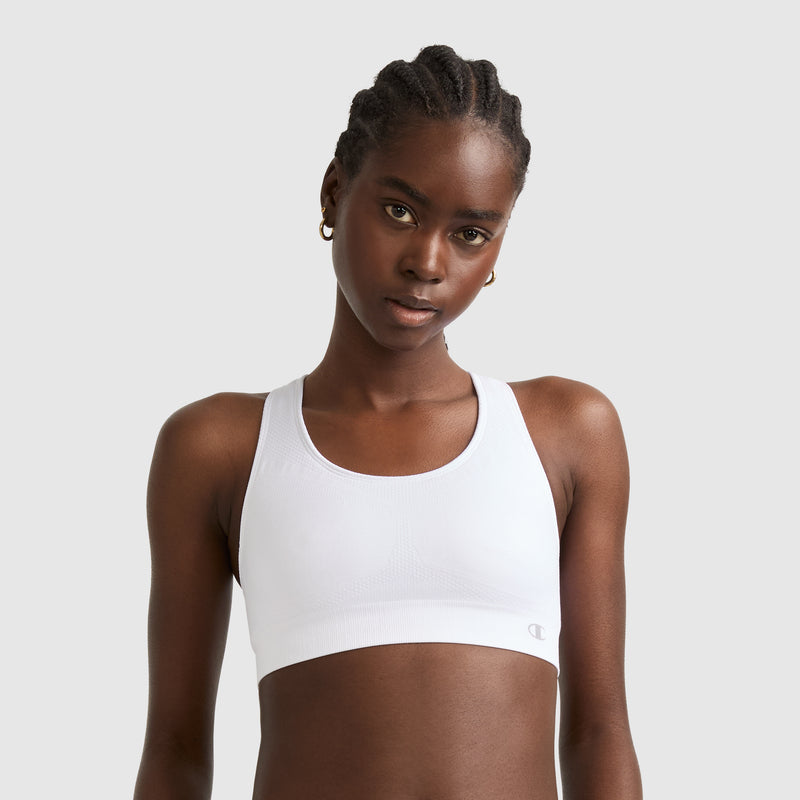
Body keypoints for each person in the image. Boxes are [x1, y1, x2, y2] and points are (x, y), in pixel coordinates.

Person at [134, 45, 642, 800]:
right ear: (335, 193)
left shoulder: (567, 433)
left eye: (471, 232)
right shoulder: (219, 449)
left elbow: (600, 733)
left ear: (498, 246)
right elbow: (176, 751)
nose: (427, 262)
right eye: (399, 210)